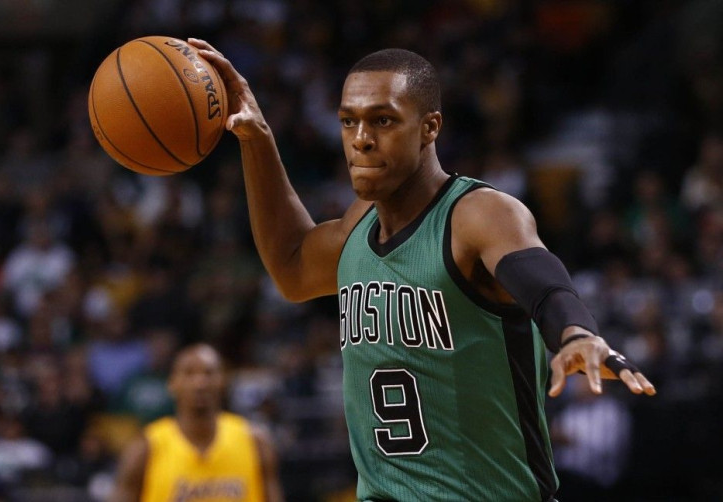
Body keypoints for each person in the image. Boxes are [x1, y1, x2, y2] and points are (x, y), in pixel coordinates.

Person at [189, 38, 656, 501]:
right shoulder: (357, 225)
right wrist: (256, 139)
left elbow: (541, 279)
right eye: (348, 121)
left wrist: (575, 333)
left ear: (430, 127)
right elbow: (291, 267)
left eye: (383, 120)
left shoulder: (478, 214)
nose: (361, 138)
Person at [108, 343, 284, 502]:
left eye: (208, 373)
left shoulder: (255, 442)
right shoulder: (146, 448)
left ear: (223, 381)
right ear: (172, 384)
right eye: (189, 373)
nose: (200, 383)